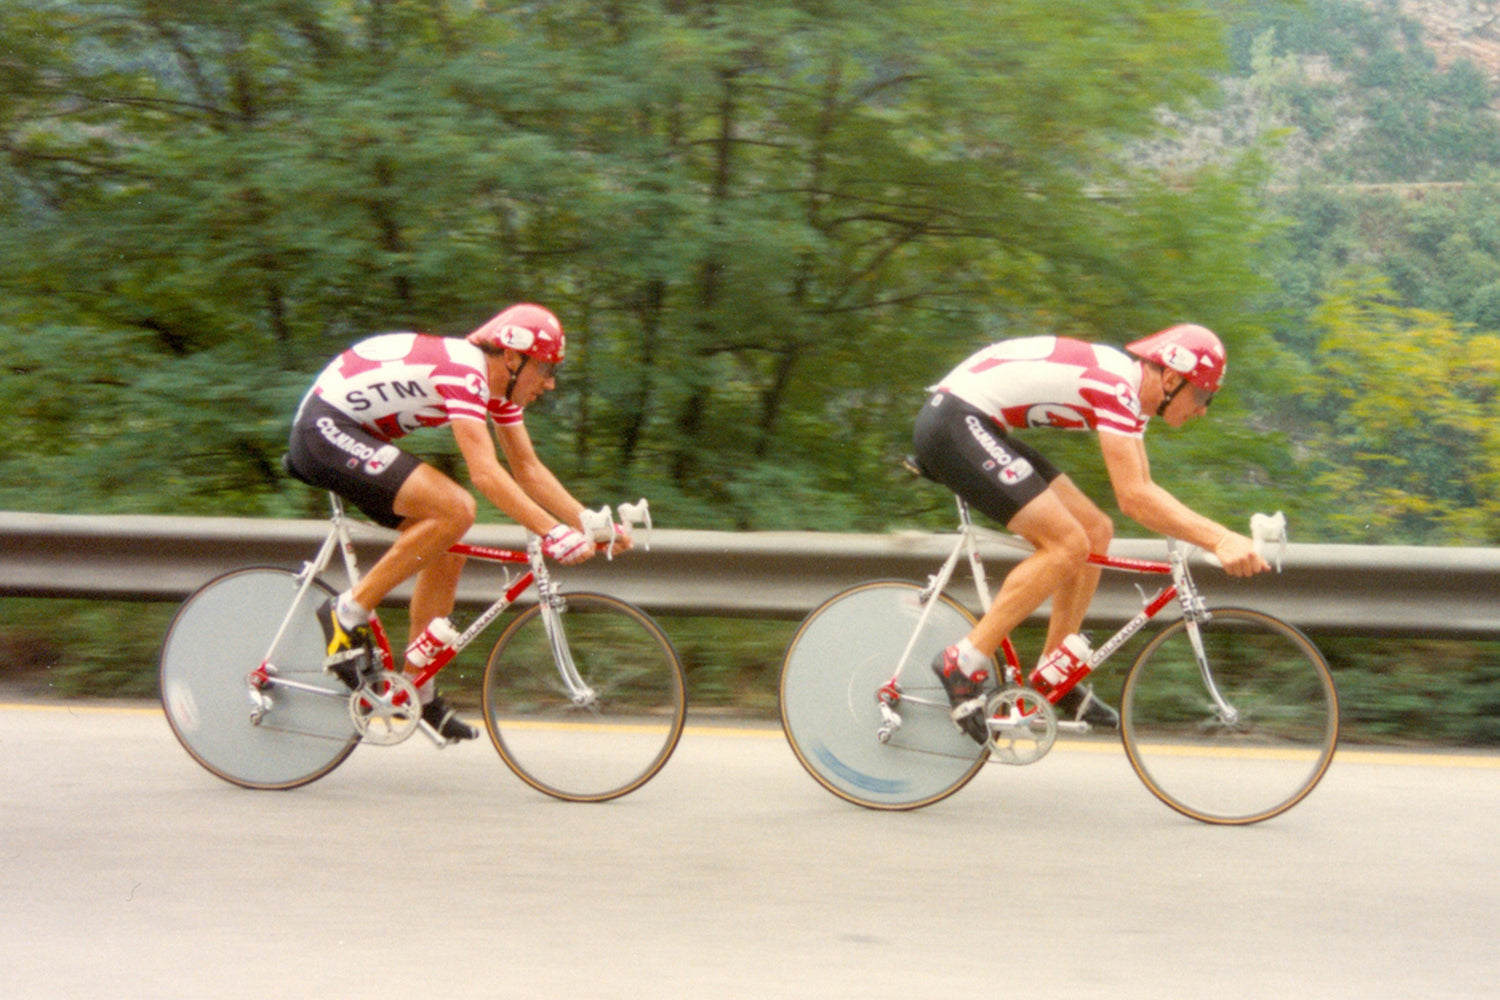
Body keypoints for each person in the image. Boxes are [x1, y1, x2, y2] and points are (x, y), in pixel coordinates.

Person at [909, 324, 1270, 742]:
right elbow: (1134, 497)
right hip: (955, 423)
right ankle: (964, 659)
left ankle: (1051, 672)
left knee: (1096, 530)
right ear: (1171, 379)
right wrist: (1221, 539)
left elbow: (1144, 490)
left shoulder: (1132, 397)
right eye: (1203, 395)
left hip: (975, 423)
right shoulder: (1117, 387)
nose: (1204, 409)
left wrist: (1210, 534)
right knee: (1067, 544)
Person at [285, 303, 627, 742]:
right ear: (511, 356)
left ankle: (416, 690)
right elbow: (485, 474)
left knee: (447, 547)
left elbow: (527, 469)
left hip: (356, 435)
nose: (550, 382)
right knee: (456, 508)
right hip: (324, 431)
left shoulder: (498, 391)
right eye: (543, 369)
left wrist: (587, 524)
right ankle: (346, 612)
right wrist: (552, 533)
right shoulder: (464, 371)